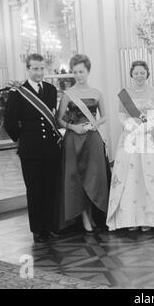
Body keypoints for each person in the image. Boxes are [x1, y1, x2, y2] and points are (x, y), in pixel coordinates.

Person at [106, 60, 154, 232]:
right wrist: (131, 126)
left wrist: (152, 126)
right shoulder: (124, 93)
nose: (139, 76)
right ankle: (131, 218)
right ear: (131, 74)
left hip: (150, 137)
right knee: (132, 178)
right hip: (132, 138)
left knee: (151, 176)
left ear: (147, 74)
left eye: (142, 73)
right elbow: (121, 114)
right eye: (136, 73)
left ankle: (151, 217)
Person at [4, 53, 62, 243]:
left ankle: (52, 225)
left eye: (41, 68)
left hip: (51, 149)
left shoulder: (52, 90)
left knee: (50, 188)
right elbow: (10, 122)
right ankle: (38, 229)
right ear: (28, 69)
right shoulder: (18, 93)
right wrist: (24, 138)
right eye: (35, 69)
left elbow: (52, 116)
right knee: (35, 189)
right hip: (31, 150)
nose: (39, 72)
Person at [57, 54, 111, 233]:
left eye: (81, 71)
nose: (78, 75)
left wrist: (97, 123)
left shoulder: (96, 93)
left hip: (93, 139)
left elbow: (104, 116)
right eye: (75, 72)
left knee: (94, 176)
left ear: (88, 71)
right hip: (74, 140)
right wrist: (73, 127)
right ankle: (84, 216)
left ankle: (91, 213)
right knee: (77, 177)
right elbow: (59, 120)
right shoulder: (67, 95)